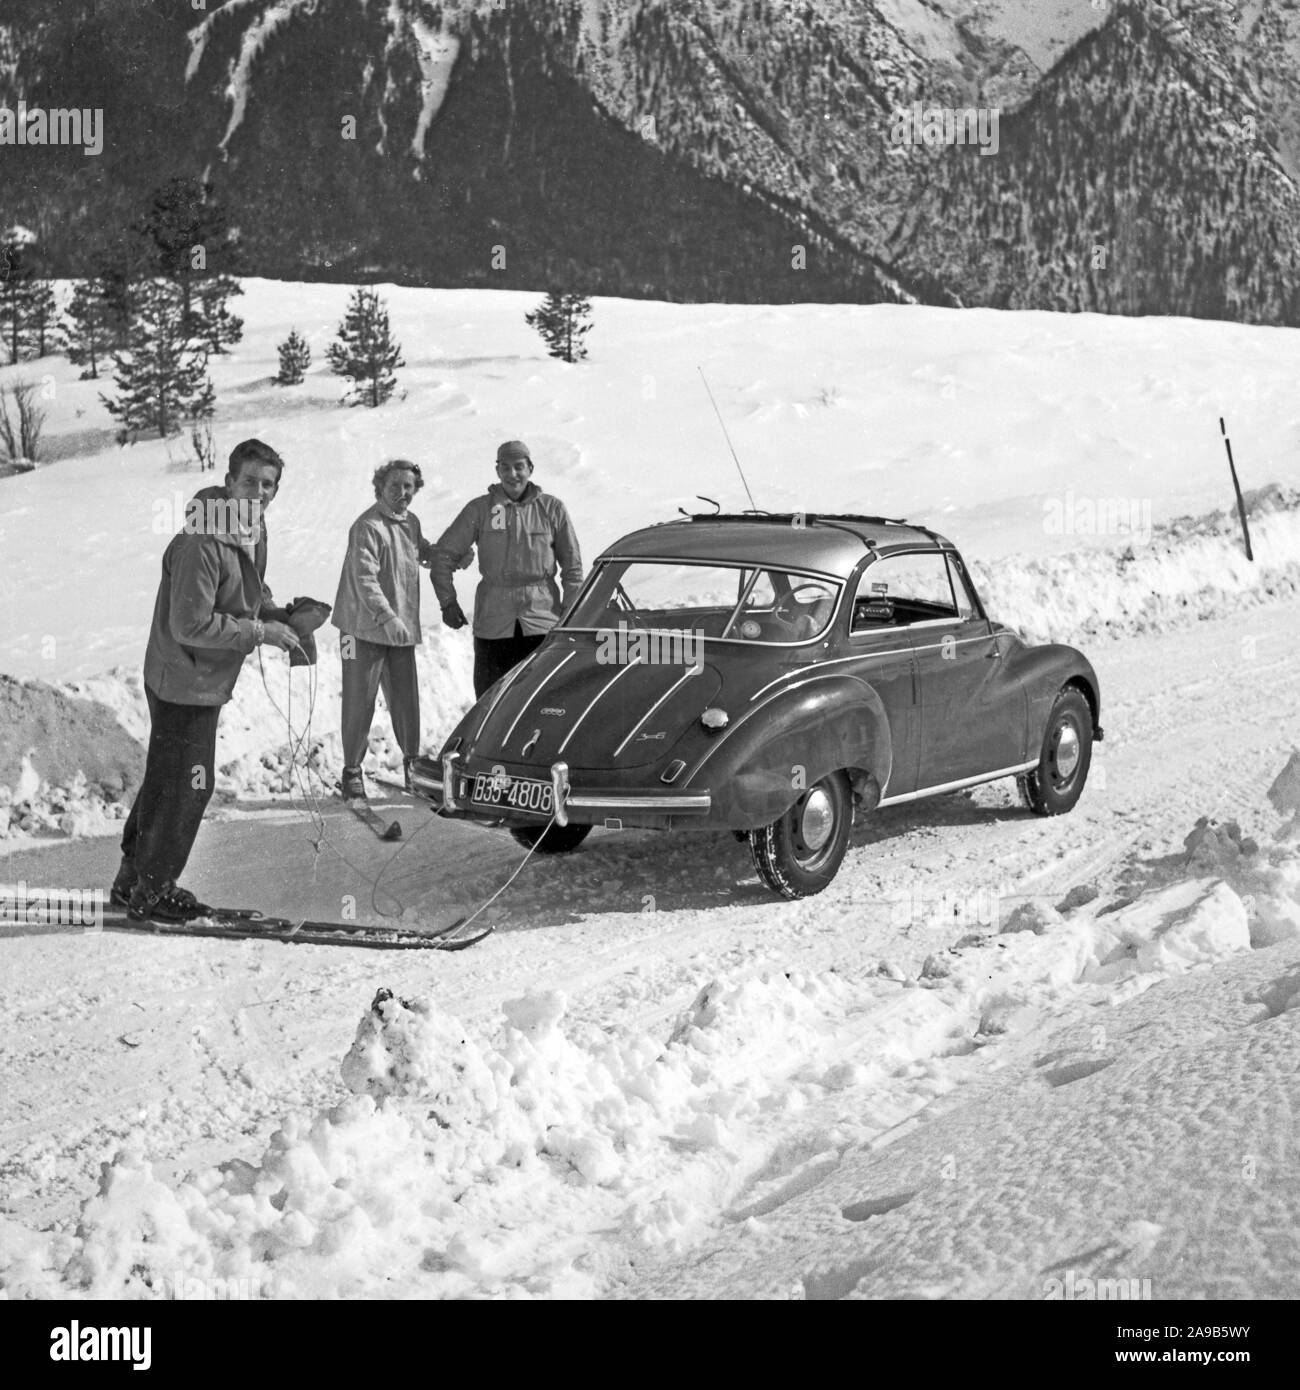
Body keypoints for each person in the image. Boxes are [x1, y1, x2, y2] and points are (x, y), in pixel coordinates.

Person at [113, 438, 304, 922]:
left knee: (167, 776)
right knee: (190, 784)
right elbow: (190, 624)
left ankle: (132, 879)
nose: (259, 493)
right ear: (228, 482)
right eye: (249, 482)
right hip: (182, 678)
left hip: (201, 674)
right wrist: (260, 632)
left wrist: (274, 611)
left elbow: (237, 594)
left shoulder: (251, 528)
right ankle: (153, 892)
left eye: (268, 485)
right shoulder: (203, 541)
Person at [430, 440, 584, 698]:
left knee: (542, 702)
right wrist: (448, 602)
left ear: (531, 468)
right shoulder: (480, 509)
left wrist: (569, 611)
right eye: (505, 468)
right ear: (497, 471)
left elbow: (573, 567)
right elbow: (443, 556)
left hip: (543, 625)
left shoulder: (552, 508)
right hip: (493, 627)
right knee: (491, 703)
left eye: (519, 467)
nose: (513, 474)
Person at [332, 459, 443, 800]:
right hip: (361, 629)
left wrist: (443, 556)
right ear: (379, 488)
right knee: (359, 700)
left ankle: (412, 766)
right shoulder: (366, 526)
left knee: (406, 699)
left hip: (398, 629)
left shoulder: (410, 522)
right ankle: (352, 770)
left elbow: (419, 550)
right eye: (395, 486)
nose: (403, 493)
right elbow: (364, 581)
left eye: (409, 486)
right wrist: (388, 618)